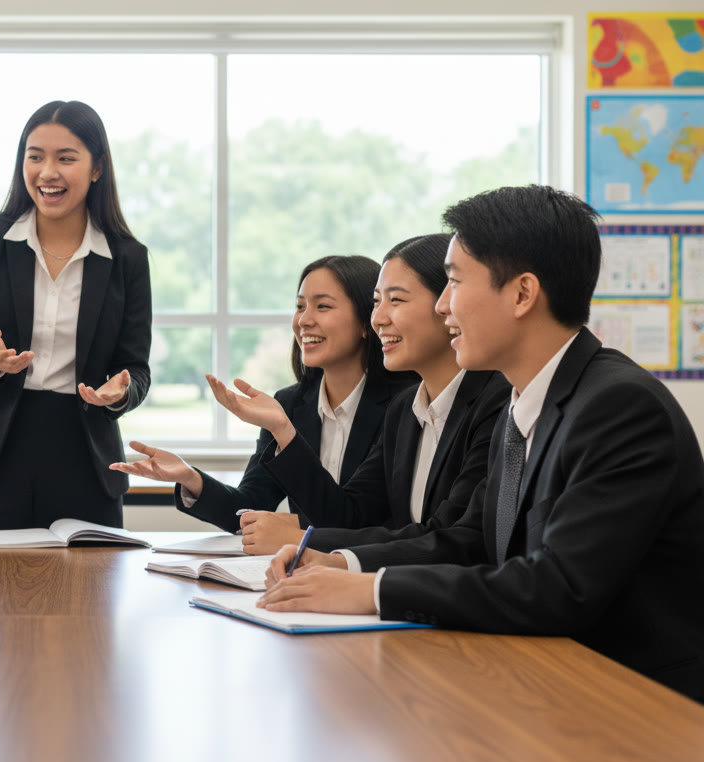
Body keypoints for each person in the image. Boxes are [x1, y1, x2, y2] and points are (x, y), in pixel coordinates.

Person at [260, 185, 704, 703]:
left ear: (521, 294)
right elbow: (468, 541)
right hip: (539, 679)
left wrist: (370, 591)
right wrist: (341, 564)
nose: (444, 306)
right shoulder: (522, 401)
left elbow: (557, 588)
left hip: (634, 702)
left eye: (452, 282)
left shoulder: (619, 407)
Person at [0, 100, 151, 531]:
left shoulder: (127, 258)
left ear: (96, 168)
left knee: (85, 593)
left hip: (85, 453)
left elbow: (136, 370)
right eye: (35, 157)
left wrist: (119, 392)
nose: (47, 172)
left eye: (65, 158)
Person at [228, 234, 510, 553]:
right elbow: (351, 517)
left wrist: (303, 539)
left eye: (397, 300)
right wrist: (283, 431)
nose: (378, 318)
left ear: (447, 303)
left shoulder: (498, 403)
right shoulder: (405, 409)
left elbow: (456, 540)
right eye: (377, 301)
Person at [113, 255, 413, 531]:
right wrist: (189, 477)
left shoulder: (402, 406)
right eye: (299, 306)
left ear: (366, 321)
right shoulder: (290, 404)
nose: (304, 320)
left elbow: (355, 522)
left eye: (322, 306)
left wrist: (284, 432)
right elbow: (248, 508)